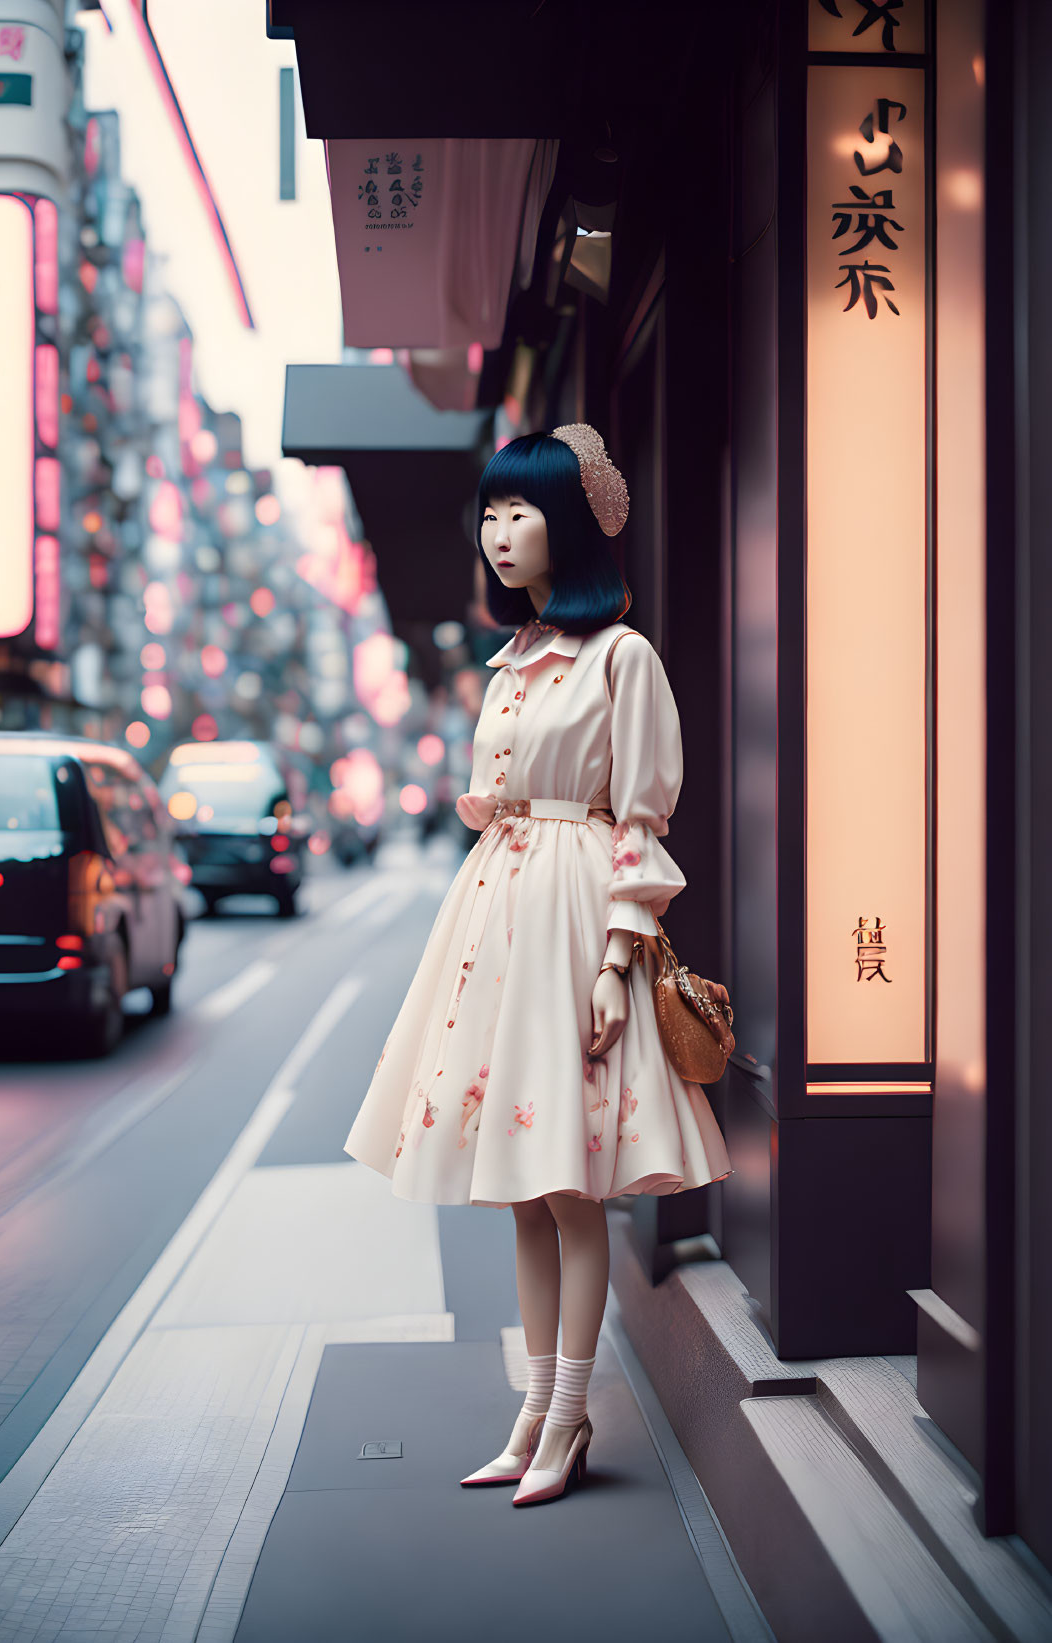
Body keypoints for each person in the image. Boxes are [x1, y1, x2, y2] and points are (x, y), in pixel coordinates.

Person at [342, 426, 733, 1506]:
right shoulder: (510, 660)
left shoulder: (621, 656)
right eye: (490, 514)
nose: (497, 533)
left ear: (569, 522)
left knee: (567, 1185)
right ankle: (535, 1407)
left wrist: (616, 959)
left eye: (519, 511)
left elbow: (642, 820)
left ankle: (566, 1415)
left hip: (570, 914)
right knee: (520, 1188)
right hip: (498, 912)